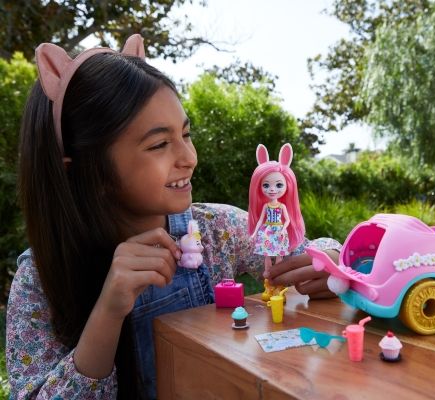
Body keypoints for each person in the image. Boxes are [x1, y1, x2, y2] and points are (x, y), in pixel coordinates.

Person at [6, 34, 340, 399]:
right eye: (159, 144)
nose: (189, 157)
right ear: (88, 171)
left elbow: (310, 254)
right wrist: (109, 311)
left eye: (186, 133)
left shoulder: (217, 231)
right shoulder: (40, 278)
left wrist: (332, 265)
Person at [248, 143, 304, 300]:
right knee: (267, 256)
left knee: (279, 256)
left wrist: (284, 228)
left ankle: (279, 284)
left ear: (287, 185)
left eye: (279, 185)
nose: (272, 189)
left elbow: (287, 219)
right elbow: (260, 220)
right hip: (267, 231)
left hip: (278, 231)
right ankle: (268, 282)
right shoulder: (266, 206)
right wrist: (254, 232)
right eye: (266, 185)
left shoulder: (282, 206)